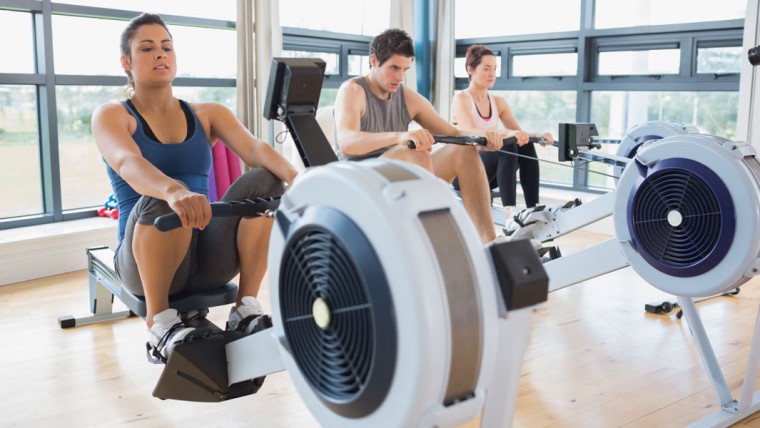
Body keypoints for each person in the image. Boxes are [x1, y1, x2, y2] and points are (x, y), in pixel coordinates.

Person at [91, 13, 298, 363]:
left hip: (208, 258)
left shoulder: (207, 113)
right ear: (126, 62)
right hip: (145, 263)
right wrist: (173, 191)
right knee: (159, 198)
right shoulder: (113, 115)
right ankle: (158, 325)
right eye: (147, 48)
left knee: (267, 180)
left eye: (166, 47)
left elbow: (256, 149)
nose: (160, 54)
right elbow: (127, 162)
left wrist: (303, 180)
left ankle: (244, 309)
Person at [334, 29, 527, 244]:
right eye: (394, 68)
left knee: (463, 149)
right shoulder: (353, 90)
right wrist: (400, 137)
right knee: (414, 152)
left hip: (398, 178)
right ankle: (435, 241)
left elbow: (453, 132)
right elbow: (347, 142)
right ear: (374, 60)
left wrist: (496, 134)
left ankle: (488, 243)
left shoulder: (406, 96)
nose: (399, 77)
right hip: (362, 182)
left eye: (405, 69)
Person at [451, 44, 554, 232]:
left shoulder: (498, 102)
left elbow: (517, 133)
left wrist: (539, 135)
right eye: (486, 68)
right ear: (470, 70)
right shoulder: (462, 99)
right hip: (465, 172)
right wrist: (506, 135)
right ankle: (510, 215)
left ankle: (533, 208)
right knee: (508, 144)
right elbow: (469, 131)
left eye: (495, 69)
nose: (492, 74)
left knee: (524, 144)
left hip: (491, 173)